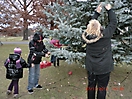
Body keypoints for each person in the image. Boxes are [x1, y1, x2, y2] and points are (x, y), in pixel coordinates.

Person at [82, 3, 117, 99]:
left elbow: (91, 24)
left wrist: (96, 13)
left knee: (91, 87)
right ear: (99, 27)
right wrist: (109, 10)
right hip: (104, 68)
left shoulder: (87, 36)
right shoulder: (105, 35)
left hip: (91, 68)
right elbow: (113, 22)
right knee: (102, 88)